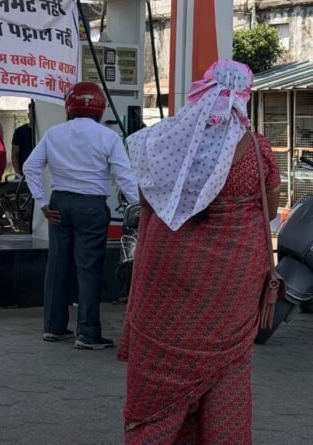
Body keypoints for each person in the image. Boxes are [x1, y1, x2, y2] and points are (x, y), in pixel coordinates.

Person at [119, 60, 280, 443]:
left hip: (167, 281)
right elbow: (270, 210)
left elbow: (146, 201)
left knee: (160, 367)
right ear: (243, 97)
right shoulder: (257, 149)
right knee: (229, 371)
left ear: (202, 90)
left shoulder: (164, 142)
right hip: (232, 287)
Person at [23, 82, 139, 349]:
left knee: (57, 265)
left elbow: (30, 167)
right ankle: (87, 332)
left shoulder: (53, 133)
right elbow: (124, 177)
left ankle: (54, 327)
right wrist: (142, 206)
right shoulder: (108, 137)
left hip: (58, 205)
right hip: (91, 207)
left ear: (69, 107)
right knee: (88, 268)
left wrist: (42, 203)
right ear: (100, 108)